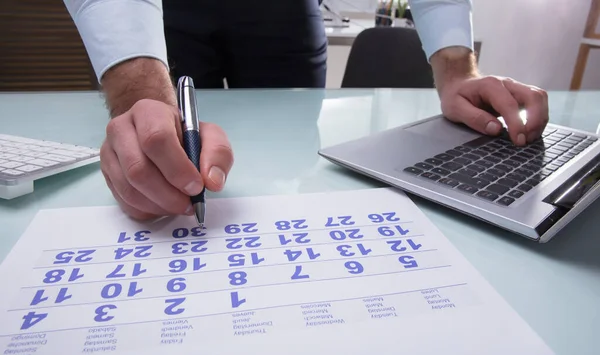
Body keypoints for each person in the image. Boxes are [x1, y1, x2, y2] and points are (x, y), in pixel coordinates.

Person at [63, 0, 549, 221]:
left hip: (287, 12)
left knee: (294, 158)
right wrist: (137, 94)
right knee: (158, 145)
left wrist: (457, 69)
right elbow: (145, 109)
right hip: (168, 11)